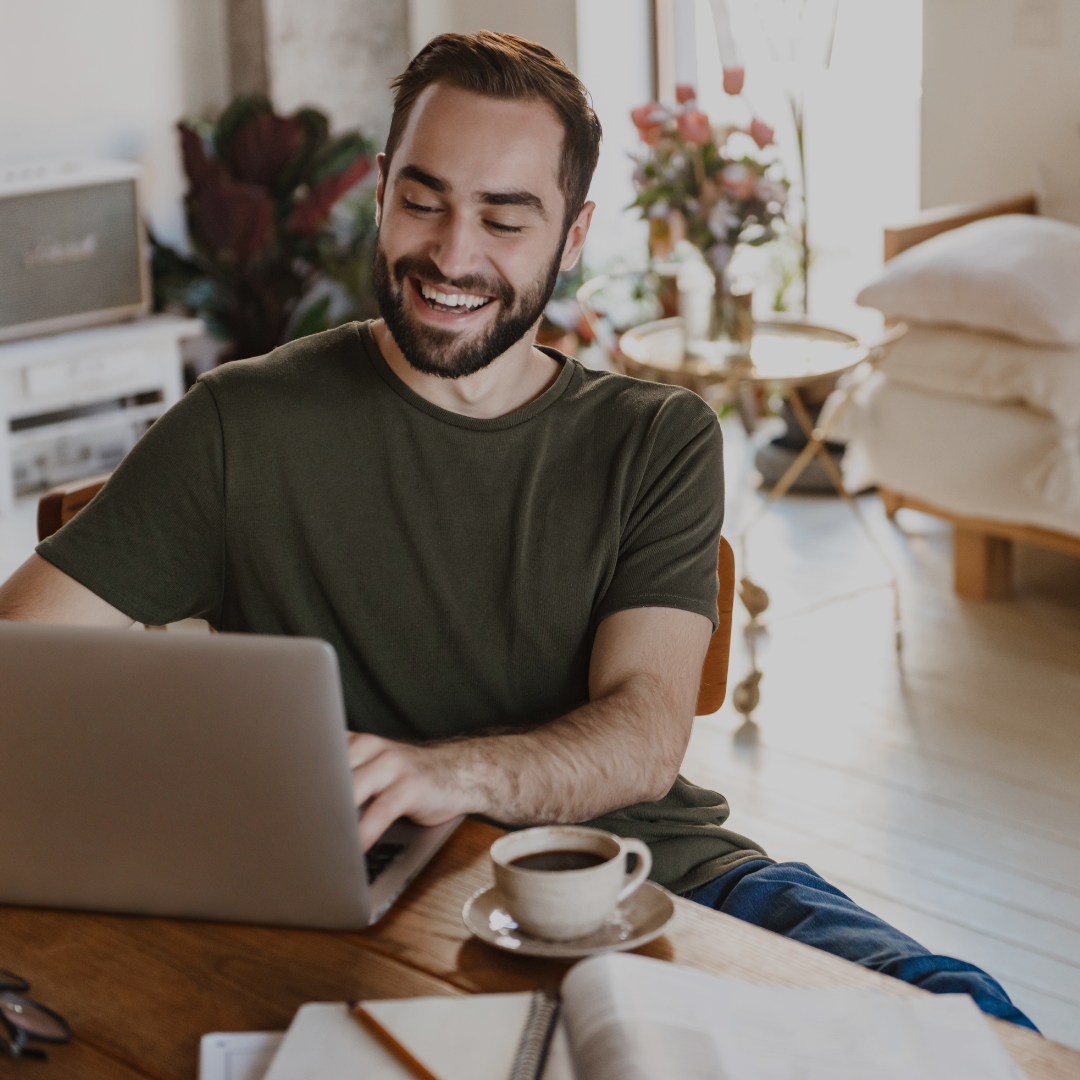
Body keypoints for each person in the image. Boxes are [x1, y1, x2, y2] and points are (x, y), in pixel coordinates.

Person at [0, 31, 1034, 1031]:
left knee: (973, 1025)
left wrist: (447, 773)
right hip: (369, 908)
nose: (453, 253)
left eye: (506, 217)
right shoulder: (239, 424)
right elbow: (20, 672)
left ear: (573, 236)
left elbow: (642, 734)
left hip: (653, 879)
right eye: (424, 200)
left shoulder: (656, 437)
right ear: (382, 188)